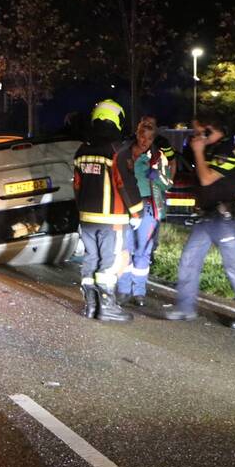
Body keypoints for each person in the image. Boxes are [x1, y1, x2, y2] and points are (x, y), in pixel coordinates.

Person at [166, 113, 235, 330]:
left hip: (224, 218)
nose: (195, 135)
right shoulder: (212, 150)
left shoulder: (227, 151)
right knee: (189, 260)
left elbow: (207, 179)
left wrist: (198, 151)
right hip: (207, 217)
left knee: (234, 266)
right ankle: (186, 308)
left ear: (210, 130)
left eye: (199, 131)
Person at [73, 99, 143, 322]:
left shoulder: (81, 150)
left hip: (87, 219)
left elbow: (76, 185)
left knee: (90, 259)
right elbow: (125, 183)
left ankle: (91, 306)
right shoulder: (117, 151)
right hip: (112, 218)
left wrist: (81, 212)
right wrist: (137, 212)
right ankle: (108, 308)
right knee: (110, 262)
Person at [116, 116, 171, 306]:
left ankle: (139, 292)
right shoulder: (124, 153)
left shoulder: (158, 157)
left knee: (142, 251)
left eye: (148, 138)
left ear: (153, 139)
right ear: (137, 134)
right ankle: (124, 290)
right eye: (141, 136)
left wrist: (155, 174)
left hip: (147, 207)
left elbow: (167, 184)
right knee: (124, 249)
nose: (144, 141)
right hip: (126, 207)